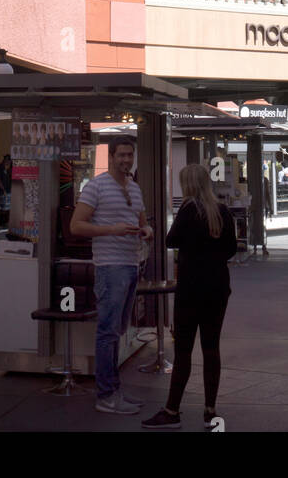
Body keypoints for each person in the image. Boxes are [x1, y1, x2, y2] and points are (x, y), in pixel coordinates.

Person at [142, 163, 236, 430]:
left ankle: (172, 410)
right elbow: (231, 248)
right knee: (211, 348)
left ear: (188, 185)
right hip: (217, 288)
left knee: (183, 351)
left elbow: (171, 240)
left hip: (190, 290)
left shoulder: (187, 209)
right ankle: (210, 411)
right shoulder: (222, 211)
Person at [70, 134, 153, 414]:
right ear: (111, 157)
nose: (126, 160)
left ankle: (114, 390)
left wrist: (147, 230)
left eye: (130, 155)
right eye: (122, 155)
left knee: (118, 331)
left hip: (131, 265)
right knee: (108, 332)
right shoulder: (96, 186)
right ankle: (106, 395)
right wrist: (111, 230)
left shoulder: (134, 188)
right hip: (109, 267)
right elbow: (76, 226)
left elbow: (142, 222)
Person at [0, 154, 12, 229]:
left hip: (9, 190)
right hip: (2, 191)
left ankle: (5, 223)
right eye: (6, 160)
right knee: (2, 208)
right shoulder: (0, 167)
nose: (7, 162)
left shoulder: (11, 167)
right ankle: (0, 223)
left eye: (9, 160)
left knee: (8, 208)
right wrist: (3, 190)